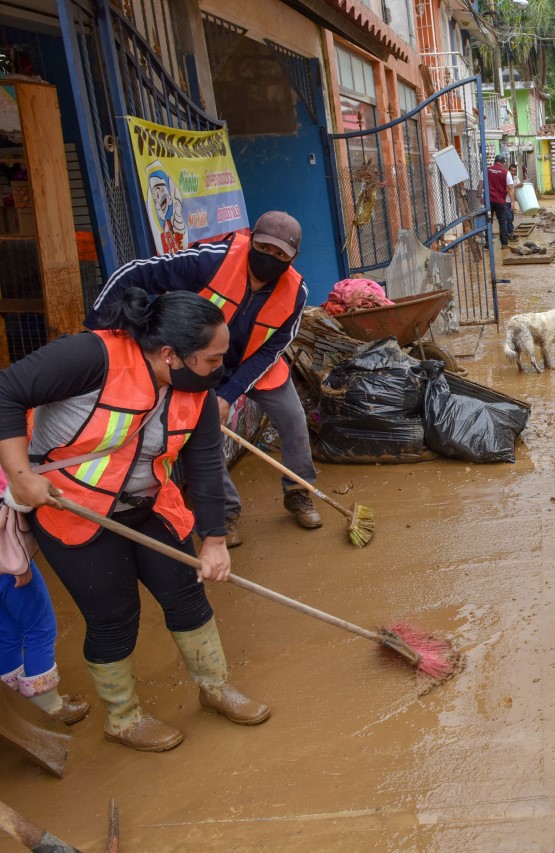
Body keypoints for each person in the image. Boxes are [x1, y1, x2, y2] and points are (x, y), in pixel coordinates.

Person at [0, 289, 270, 752]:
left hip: (149, 504)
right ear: (170, 354)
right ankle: (122, 718)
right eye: (211, 359)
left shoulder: (197, 392)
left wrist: (214, 541)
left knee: (186, 594)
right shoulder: (91, 356)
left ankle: (215, 687)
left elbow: (205, 465)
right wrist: (20, 475)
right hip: (74, 511)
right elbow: (6, 390)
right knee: (113, 616)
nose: (218, 369)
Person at [88, 212, 320, 547]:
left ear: (293, 258)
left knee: (294, 418)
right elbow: (135, 273)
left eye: (281, 254)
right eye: (264, 247)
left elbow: (270, 352)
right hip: (197, 362)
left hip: (253, 365)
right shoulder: (212, 261)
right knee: (198, 427)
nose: (270, 258)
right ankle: (224, 512)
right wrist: (96, 331)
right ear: (251, 238)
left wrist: (228, 394)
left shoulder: (296, 293)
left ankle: (299, 492)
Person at [1, 469, 89, 724]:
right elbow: (15, 493)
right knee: (39, 627)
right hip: (9, 564)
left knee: (7, 632)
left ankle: (12, 701)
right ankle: (48, 705)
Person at [487, 153, 515, 247]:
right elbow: (511, 188)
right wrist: (512, 203)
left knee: (488, 221)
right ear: (502, 163)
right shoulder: (506, 172)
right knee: (502, 222)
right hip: (500, 201)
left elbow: (481, 183)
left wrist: (480, 196)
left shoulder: (487, 169)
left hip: (489, 201)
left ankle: (488, 242)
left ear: (495, 162)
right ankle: (504, 244)